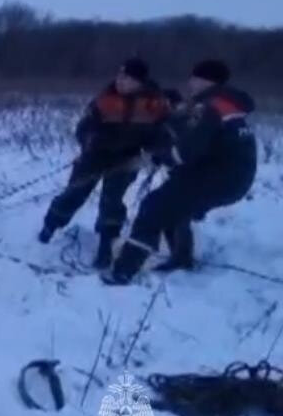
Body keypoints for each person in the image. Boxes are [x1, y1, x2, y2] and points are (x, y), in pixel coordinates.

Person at [102, 59, 257, 285]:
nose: (189, 83)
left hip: (217, 176)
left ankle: (123, 271)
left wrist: (158, 157)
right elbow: (195, 136)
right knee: (174, 202)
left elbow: (186, 150)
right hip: (233, 177)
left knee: (153, 208)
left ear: (204, 80)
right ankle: (181, 259)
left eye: (193, 78)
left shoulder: (210, 106)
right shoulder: (227, 103)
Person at [38, 58, 172, 268]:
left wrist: (156, 152)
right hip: (95, 156)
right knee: (74, 192)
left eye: (126, 77)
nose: (120, 80)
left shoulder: (155, 104)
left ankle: (106, 244)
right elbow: (84, 127)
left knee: (112, 201)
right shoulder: (105, 99)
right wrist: (90, 140)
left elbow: (163, 133)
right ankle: (50, 226)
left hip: (127, 159)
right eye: (119, 75)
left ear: (140, 82)